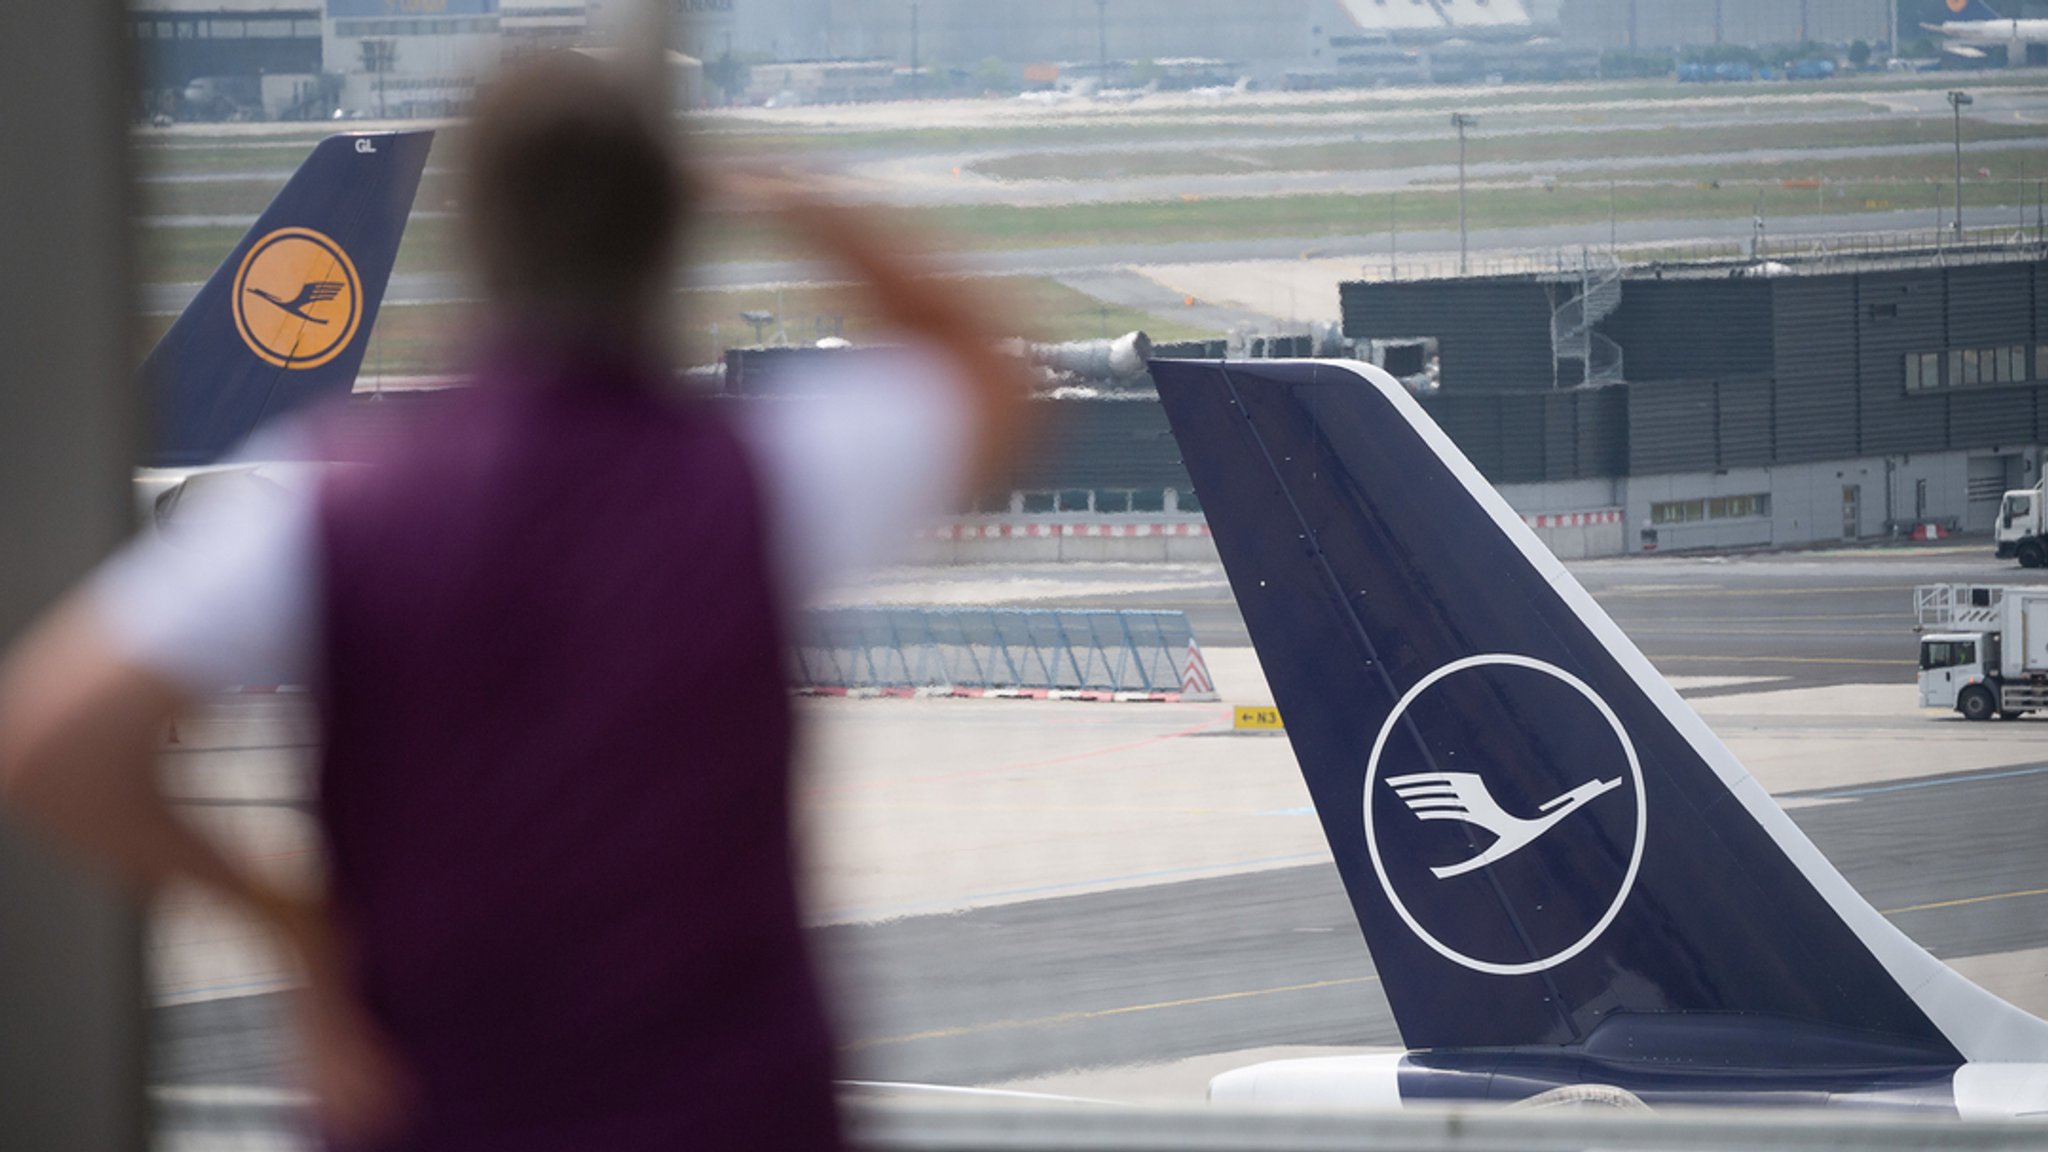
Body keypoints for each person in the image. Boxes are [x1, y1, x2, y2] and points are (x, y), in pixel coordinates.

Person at [0, 54, 1030, 1150]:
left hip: (446, 1106)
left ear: (474, 242)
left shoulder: (333, 512)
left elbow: (49, 741)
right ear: (667, 237)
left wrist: (296, 925)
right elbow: (986, 379)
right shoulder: (756, 477)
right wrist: (793, 198)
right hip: (727, 1108)